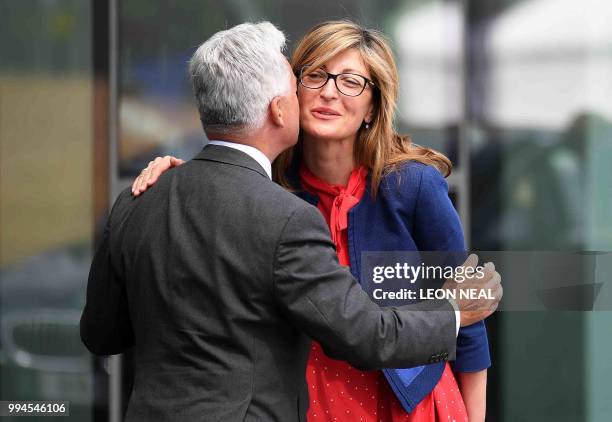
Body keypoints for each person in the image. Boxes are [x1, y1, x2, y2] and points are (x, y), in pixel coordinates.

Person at [117, 22, 501, 422]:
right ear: (287, 94)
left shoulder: (412, 185)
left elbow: (469, 318)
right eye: (315, 75)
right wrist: (176, 177)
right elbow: (215, 177)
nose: (329, 91)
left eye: (351, 81)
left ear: (373, 106)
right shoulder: (265, 191)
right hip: (300, 399)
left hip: (404, 403)